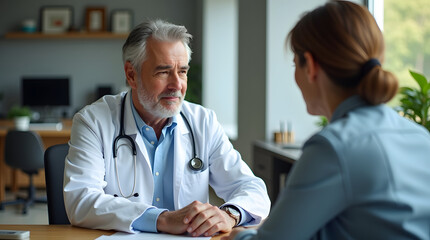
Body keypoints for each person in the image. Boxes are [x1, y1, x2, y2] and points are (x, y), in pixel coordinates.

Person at [224, 1, 430, 240]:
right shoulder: (419, 136)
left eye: (295, 64)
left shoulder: (333, 148)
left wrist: (236, 237)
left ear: (310, 66)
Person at [63, 19, 270, 236]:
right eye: (163, 72)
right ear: (131, 75)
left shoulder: (203, 122)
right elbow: (81, 200)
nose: (177, 85)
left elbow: (251, 188)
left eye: (182, 71)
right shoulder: (93, 121)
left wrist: (229, 215)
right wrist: (162, 219)